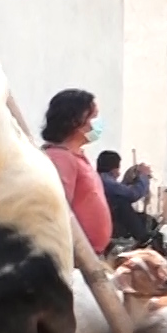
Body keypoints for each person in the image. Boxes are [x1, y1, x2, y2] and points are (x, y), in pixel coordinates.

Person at [40, 88, 110, 255]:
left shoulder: (76, 157)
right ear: (75, 121)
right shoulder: (61, 158)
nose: (98, 123)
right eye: (94, 117)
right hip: (75, 258)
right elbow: (57, 212)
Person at [96, 149, 156, 245]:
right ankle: (143, 238)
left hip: (104, 217)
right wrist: (143, 176)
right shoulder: (106, 181)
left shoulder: (101, 179)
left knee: (142, 217)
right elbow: (133, 194)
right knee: (122, 203)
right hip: (108, 221)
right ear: (114, 169)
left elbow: (120, 191)